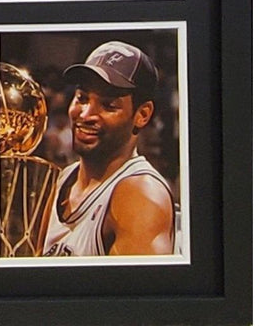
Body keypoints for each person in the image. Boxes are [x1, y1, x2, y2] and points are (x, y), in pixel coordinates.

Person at [42, 41, 175, 257]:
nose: (85, 114)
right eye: (82, 98)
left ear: (142, 115)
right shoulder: (64, 179)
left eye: (108, 105)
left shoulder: (140, 197)